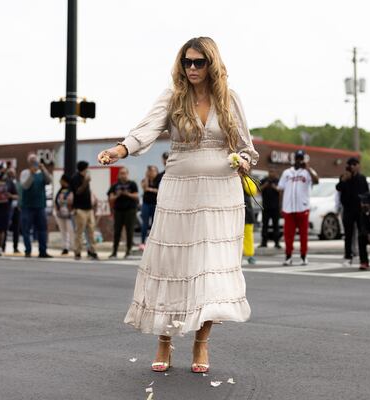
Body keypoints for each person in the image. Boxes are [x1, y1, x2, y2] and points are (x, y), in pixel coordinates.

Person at [97, 37, 257, 374]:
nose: (193, 69)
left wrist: (243, 160)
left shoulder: (230, 100)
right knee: (171, 266)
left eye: (199, 62)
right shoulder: (173, 97)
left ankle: (201, 343)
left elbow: (246, 146)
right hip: (179, 193)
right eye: (188, 62)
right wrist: (118, 151)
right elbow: (145, 131)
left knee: (210, 271)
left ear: (212, 64)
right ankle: (164, 341)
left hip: (220, 197)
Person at [278, 150, 319, 266]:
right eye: (297, 158)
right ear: (294, 159)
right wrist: (280, 206)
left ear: (304, 159)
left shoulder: (307, 172)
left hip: (303, 208)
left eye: (301, 158)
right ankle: (288, 256)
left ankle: (303, 256)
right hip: (288, 208)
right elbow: (280, 189)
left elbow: (316, 181)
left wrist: (308, 168)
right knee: (288, 235)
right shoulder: (287, 172)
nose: (299, 161)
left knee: (303, 235)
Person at [336, 157, 370, 269]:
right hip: (348, 210)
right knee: (348, 235)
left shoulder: (362, 178)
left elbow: (366, 193)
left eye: (356, 164)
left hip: (360, 210)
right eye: (352, 164)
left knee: (362, 234)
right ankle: (348, 257)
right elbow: (338, 188)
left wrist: (366, 206)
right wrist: (344, 180)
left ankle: (364, 259)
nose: (354, 166)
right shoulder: (344, 177)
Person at [20, 154, 53, 258]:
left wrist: (44, 169)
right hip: (28, 206)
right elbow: (25, 186)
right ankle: (28, 250)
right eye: (32, 161)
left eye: (35, 160)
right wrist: (31, 174)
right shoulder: (25, 173)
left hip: (40, 206)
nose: (34, 162)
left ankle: (43, 251)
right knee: (26, 229)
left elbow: (49, 181)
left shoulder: (42, 173)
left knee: (42, 229)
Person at [107, 167, 139, 259]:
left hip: (130, 210)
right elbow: (111, 198)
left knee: (130, 231)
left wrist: (127, 194)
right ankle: (114, 252)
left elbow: (136, 196)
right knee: (117, 231)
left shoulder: (132, 184)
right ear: (119, 175)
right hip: (118, 210)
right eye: (121, 173)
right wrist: (118, 195)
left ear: (127, 174)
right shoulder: (115, 185)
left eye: (124, 173)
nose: (123, 175)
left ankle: (128, 251)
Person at [70, 161, 99, 260]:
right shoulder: (75, 178)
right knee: (79, 231)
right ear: (84, 168)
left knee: (91, 231)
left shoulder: (85, 178)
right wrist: (86, 182)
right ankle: (77, 251)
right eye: (87, 168)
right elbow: (78, 192)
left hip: (89, 208)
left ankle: (92, 250)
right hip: (80, 208)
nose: (88, 170)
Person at [259, 167, 281, 248]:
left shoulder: (278, 181)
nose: (271, 173)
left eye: (273, 172)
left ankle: (277, 242)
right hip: (265, 207)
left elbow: (281, 191)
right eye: (270, 171)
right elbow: (258, 190)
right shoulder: (264, 180)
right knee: (265, 225)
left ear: (275, 173)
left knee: (276, 225)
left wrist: (274, 187)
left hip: (275, 207)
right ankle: (264, 242)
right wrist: (265, 185)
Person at [54, 174, 74, 256]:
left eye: (61, 180)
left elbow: (72, 201)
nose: (60, 182)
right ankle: (65, 247)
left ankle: (74, 247)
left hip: (69, 214)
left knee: (71, 230)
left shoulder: (71, 190)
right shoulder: (60, 190)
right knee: (63, 231)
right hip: (60, 213)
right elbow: (56, 201)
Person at [140, 165, 159, 250]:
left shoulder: (159, 180)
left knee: (154, 224)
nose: (151, 172)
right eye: (149, 171)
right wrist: (147, 177)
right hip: (146, 204)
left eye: (153, 171)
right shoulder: (145, 180)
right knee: (145, 223)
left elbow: (159, 191)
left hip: (155, 204)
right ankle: (142, 242)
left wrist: (150, 189)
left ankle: (153, 242)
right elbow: (144, 188)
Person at [3, 167, 21, 254]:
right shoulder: (5, 183)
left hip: (17, 208)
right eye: (10, 173)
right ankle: (2, 246)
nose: (11, 174)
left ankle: (15, 247)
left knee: (16, 229)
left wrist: (12, 196)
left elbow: (19, 196)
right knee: (5, 227)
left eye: (13, 173)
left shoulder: (18, 184)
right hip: (7, 208)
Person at [242, 175, 257, 264]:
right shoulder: (233, 178)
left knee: (248, 234)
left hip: (247, 210)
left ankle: (249, 254)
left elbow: (253, 191)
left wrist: (244, 183)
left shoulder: (248, 180)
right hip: (235, 209)